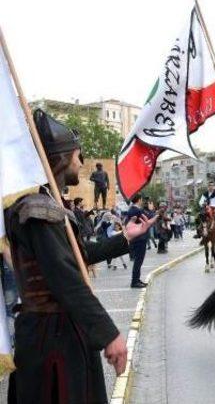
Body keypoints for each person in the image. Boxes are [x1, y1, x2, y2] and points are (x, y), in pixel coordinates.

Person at [4, 109, 156, 403]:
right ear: (59, 159)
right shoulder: (38, 209)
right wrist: (108, 333)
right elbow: (65, 277)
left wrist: (125, 237)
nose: (81, 162)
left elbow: (77, 255)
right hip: (51, 339)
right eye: (76, 155)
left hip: (59, 332)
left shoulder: (47, 203)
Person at [125, 194, 149, 288]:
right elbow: (148, 219)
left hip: (136, 238)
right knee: (138, 261)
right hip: (139, 238)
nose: (142, 201)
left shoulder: (131, 209)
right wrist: (151, 210)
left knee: (138, 261)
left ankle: (137, 279)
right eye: (141, 199)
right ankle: (134, 282)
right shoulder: (137, 210)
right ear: (139, 200)